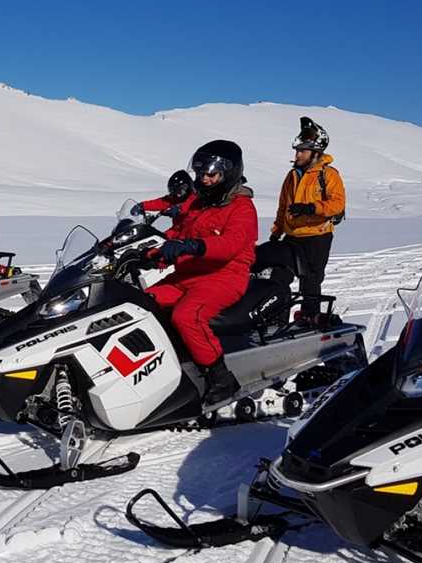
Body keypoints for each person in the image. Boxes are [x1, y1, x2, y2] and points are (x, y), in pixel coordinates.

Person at [144, 140, 258, 405]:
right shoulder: (199, 204)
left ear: (227, 174)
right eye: (201, 174)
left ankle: (221, 377)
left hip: (223, 277)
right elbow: (178, 232)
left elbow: (229, 245)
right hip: (187, 274)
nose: (204, 180)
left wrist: (192, 245)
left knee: (187, 316)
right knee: (142, 303)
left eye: (211, 174)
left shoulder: (242, 208)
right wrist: (150, 251)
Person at [270, 117, 346, 325]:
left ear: (315, 152)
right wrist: (276, 232)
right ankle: (276, 319)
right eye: (297, 151)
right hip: (292, 236)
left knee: (310, 281)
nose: (297, 155)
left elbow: (337, 204)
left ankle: (309, 318)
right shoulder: (292, 175)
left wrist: (311, 208)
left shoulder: (328, 175)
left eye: (302, 151)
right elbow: (283, 206)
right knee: (279, 276)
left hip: (317, 236)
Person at [130, 170, 195, 222]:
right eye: (174, 191)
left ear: (187, 187)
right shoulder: (176, 198)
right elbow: (162, 202)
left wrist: (179, 209)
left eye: (179, 191)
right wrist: (142, 205)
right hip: (177, 230)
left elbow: (193, 210)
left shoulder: (196, 199)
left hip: (191, 234)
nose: (177, 194)